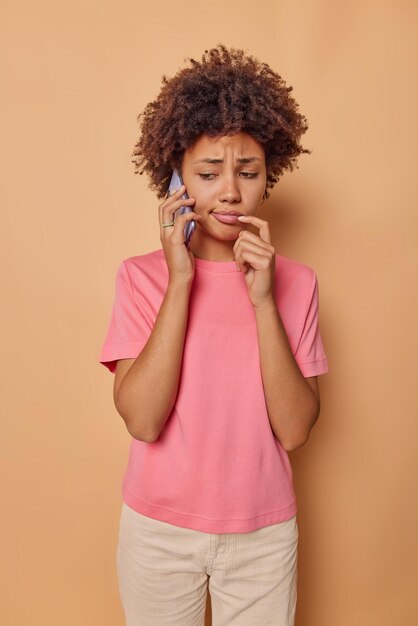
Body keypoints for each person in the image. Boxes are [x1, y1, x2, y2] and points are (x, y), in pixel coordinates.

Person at [99, 44, 329, 626]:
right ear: (176, 179)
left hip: (263, 536)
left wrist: (262, 302)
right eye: (208, 173)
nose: (230, 190)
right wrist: (180, 280)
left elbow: (297, 429)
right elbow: (143, 420)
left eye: (248, 173)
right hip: (158, 532)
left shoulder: (295, 284)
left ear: (267, 177)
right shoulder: (141, 277)